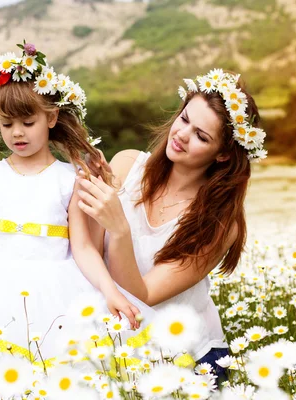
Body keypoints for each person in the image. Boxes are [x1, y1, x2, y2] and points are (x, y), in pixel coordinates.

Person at [0, 43, 152, 384]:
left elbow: (84, 248)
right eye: (6, 124)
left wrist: (110, 291)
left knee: (54, 376)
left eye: (28, 122)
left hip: (55, 295)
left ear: (51, 118)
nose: (17, 132)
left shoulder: (69, 178)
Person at [78, 69, 267, 383]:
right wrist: (91, 189)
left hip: (187, 359)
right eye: (184, 119)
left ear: (222, 155)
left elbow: (143, 294)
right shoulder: (126, 164)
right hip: (118, 340)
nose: (181, 134)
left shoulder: (219, 223)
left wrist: (120, 229)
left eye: (201, 136)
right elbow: (89, 255)